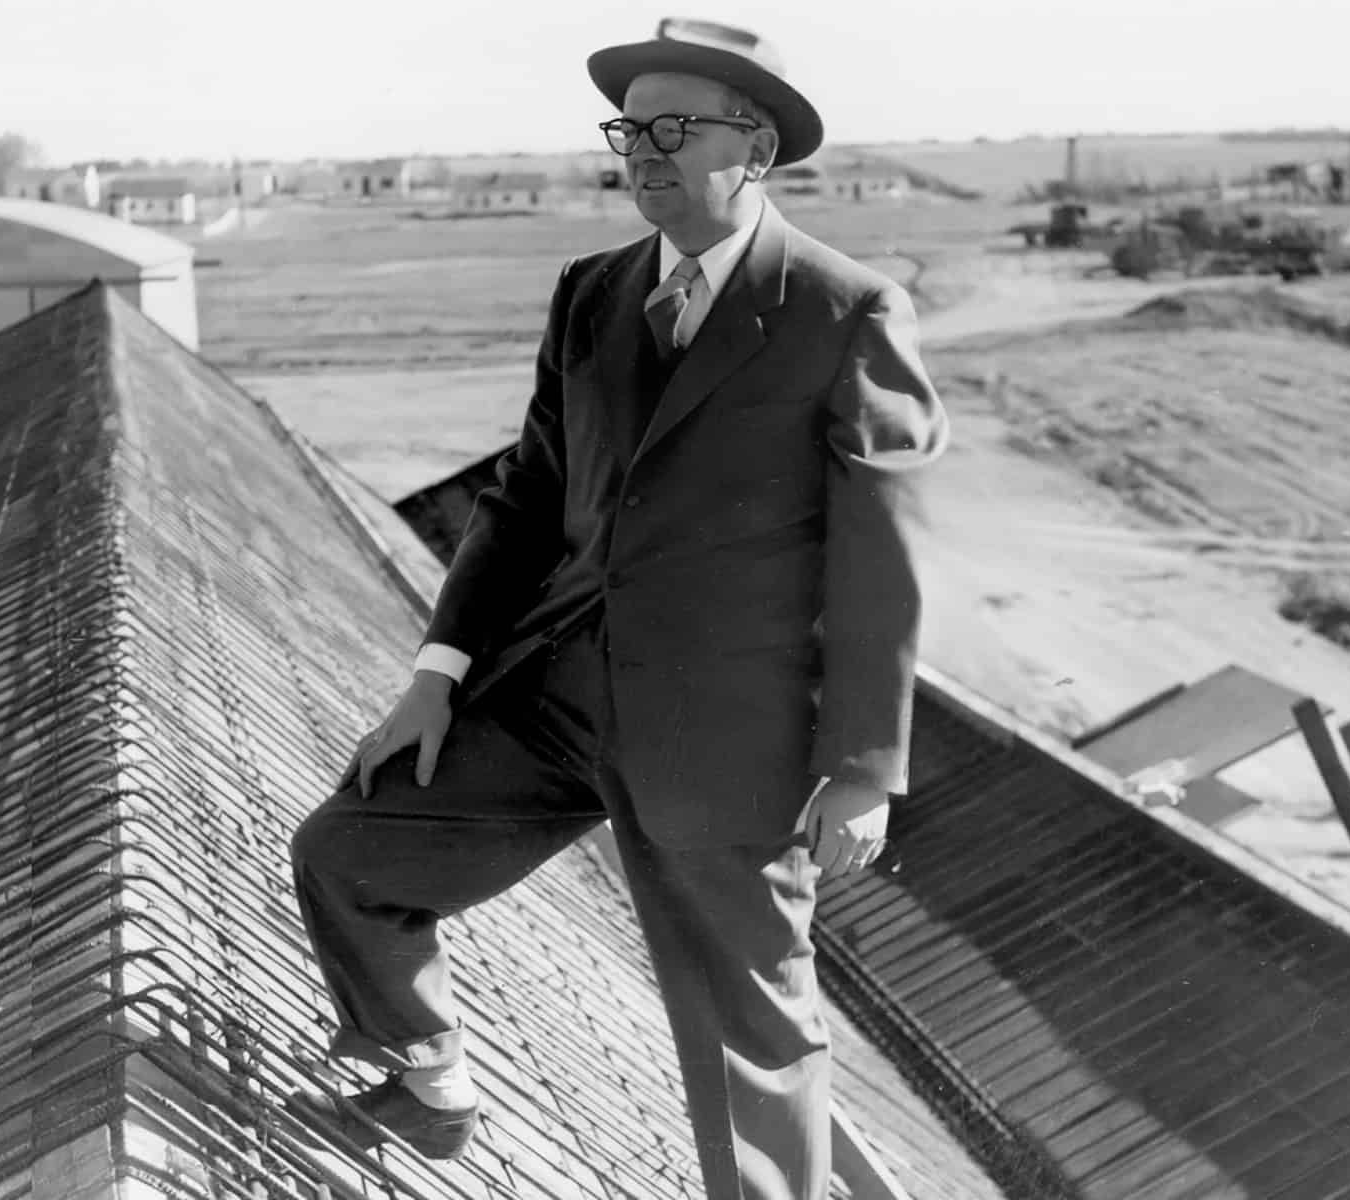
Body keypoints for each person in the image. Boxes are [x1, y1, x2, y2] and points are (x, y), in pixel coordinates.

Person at [287, 16, 947, 1199]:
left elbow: (881, 559)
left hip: (725, 739)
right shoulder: (591, 294)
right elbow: (530, 496)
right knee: (348, 852)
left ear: (756, 147)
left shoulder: (845, 312)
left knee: (749, 1041)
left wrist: (864, 766)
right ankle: (428, 1079)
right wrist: (437, 675)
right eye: (628, 128)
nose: (640, 152)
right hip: (553, 700)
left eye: (673, 128)